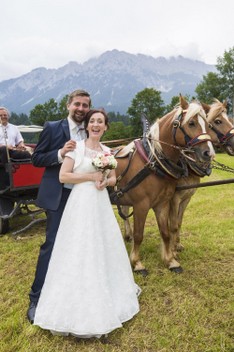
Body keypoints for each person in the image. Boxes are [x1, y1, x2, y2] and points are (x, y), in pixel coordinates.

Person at [33, 109, 140, 338]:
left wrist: (106, 181)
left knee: (103, 245)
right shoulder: (76, 148)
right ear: (87, 125)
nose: (95, 124)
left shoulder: (107, 152)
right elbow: (64, 176)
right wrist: (91, 177)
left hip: (100, 204)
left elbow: (112, 178)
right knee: (78, 248)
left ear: (105, 127)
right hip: (79, 204)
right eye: (92, 121)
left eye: (100, 121)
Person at [27, 89, 91, 324]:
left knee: (80, 244)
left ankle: (72, 289)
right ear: (68, 105)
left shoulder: (91, 129)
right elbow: (36, 158)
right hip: (58, 196)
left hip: (83, 197)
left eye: (85, 105)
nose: (81, 109)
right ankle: (36, 297)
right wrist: (59, 153)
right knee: (52, 244)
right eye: (77, 104)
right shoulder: (53, 127)